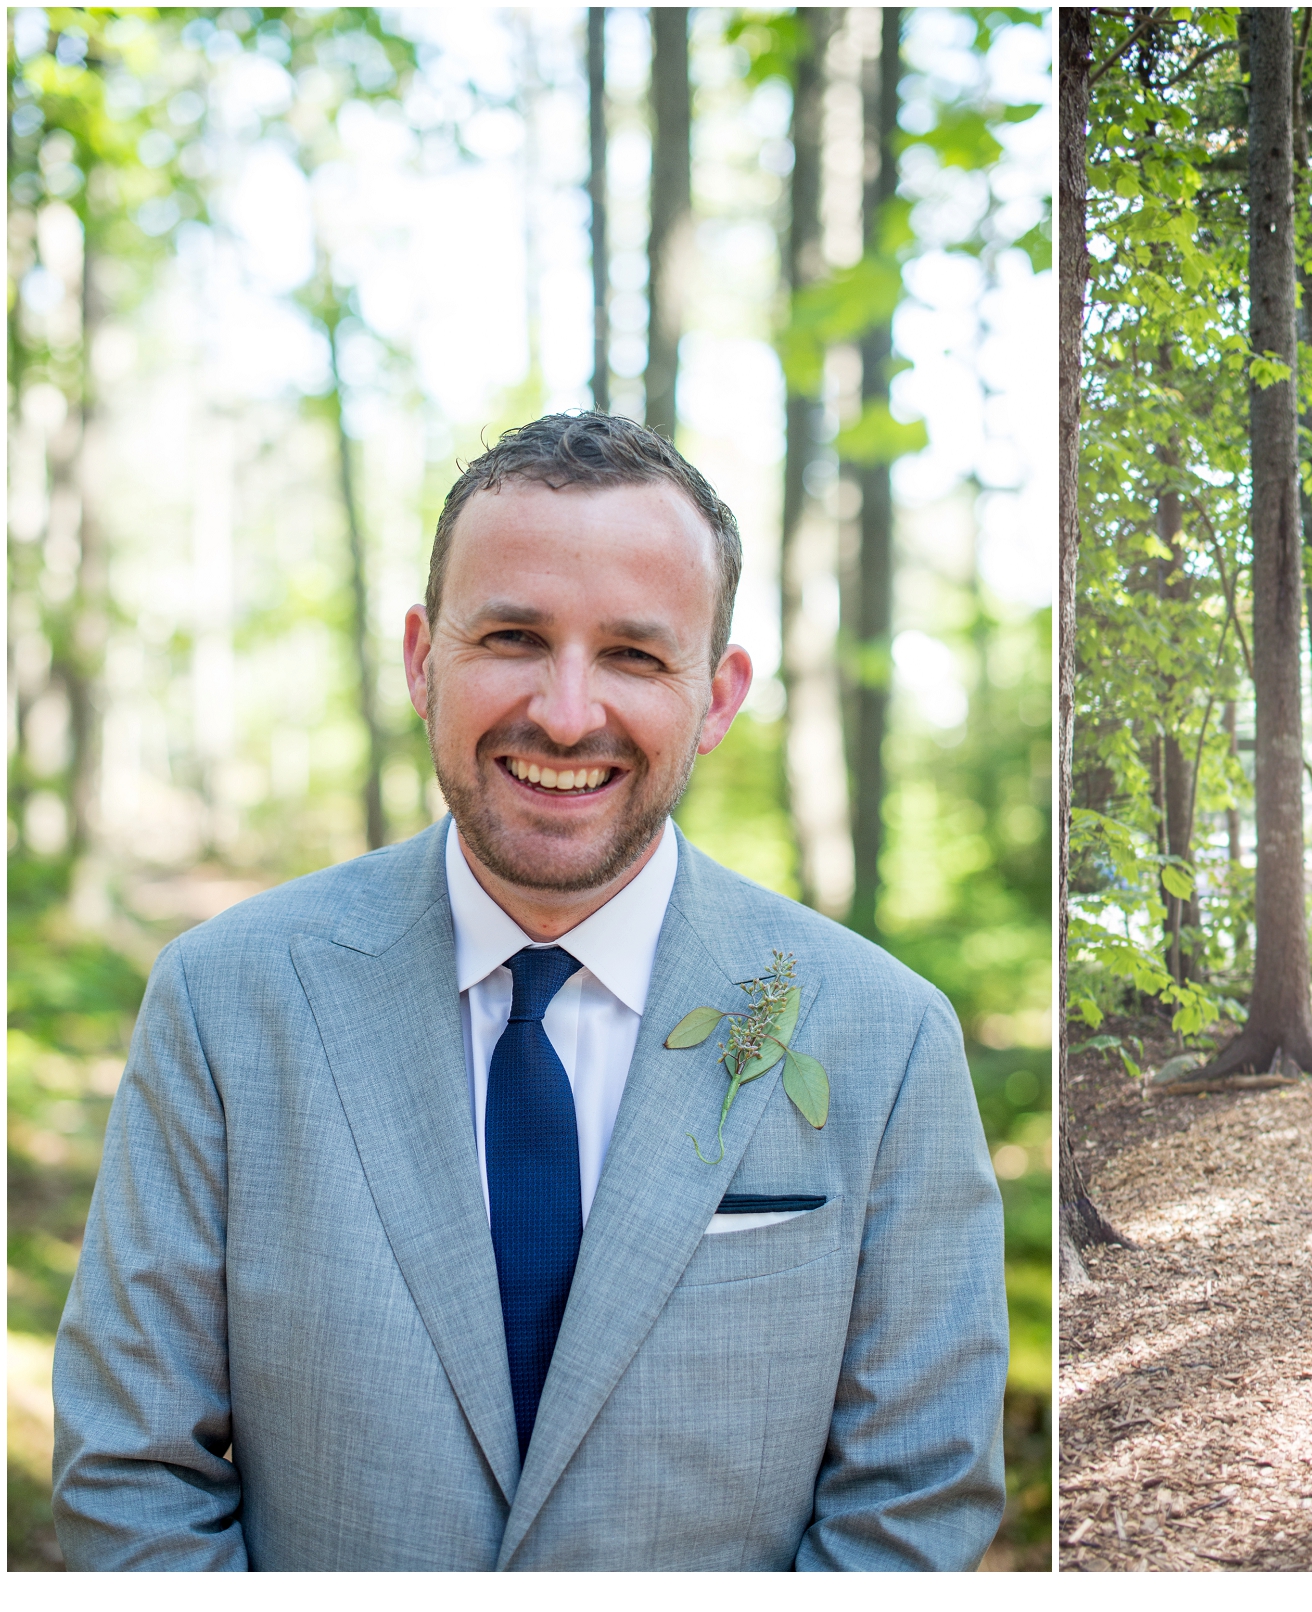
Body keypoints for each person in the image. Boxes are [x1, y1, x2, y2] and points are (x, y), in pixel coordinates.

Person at [50, 413, 1009, 1570]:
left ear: (716, 694)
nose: (565, 712)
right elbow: (131, 1476)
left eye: (635, 655)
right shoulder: (223, 1003)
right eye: (513, 636)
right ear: (421, 659)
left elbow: (913, 1506)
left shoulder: (886, 1038)